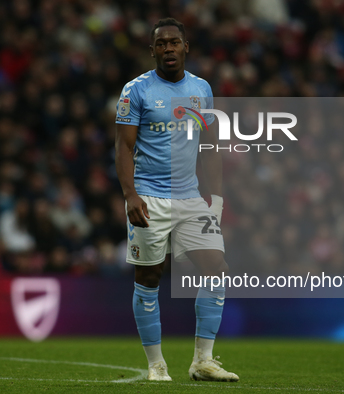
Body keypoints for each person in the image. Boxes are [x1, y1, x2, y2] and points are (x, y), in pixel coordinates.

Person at [115, 18, 239, 382]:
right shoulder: (135, 90)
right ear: (152, 50)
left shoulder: (201, 89)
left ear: (187, 47)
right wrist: (130, 194)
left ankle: (203, 360)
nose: (168, 48)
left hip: (189, 198)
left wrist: (214, 198)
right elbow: (123, 146)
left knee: (216, 268)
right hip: (149, 197)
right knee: (150, 276)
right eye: (161, 44)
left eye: (174, 43)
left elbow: (210, 147)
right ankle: (156, 365)